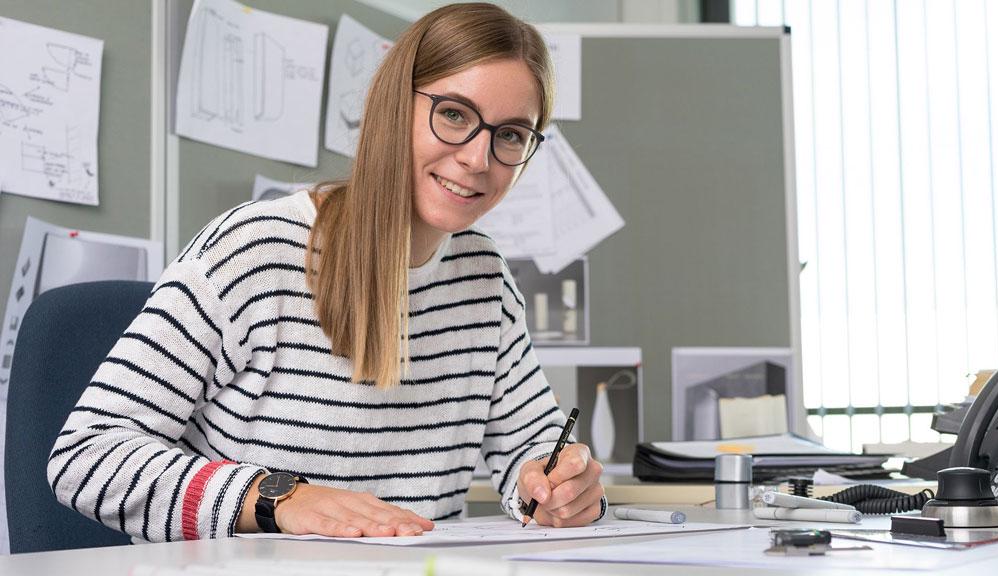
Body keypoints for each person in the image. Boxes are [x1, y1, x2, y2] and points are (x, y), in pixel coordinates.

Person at [48, 3, 606, 542]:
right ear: (394, 107)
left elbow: (531, 460)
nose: (478, 158)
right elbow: (87, 456)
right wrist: (276, 499)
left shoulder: (482, 278)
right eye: (454, 114)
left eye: (510, 134)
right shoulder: (256, 251)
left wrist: (559, 488)